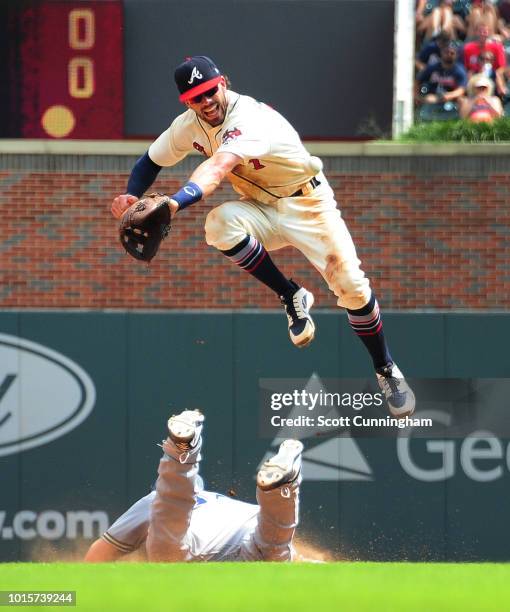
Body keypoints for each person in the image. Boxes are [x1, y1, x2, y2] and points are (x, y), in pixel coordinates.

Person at [111, 55, 415, 418]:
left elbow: (218, 167)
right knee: (219, 225)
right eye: (196, 98)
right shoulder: (187, 125)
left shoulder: (249, 118)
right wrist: (132, 194)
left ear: (223, 82)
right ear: (186, 102)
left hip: (308, 204)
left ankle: (386, 369)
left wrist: (175, 202)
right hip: (260, 207)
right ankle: (291, 294)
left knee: (351, 286)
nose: (206, 102)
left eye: (210, 91)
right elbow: (150, 160)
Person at [84, 410, 305, 562]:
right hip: (249, 532)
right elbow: (286, 550)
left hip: (195, 547)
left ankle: (181, 452)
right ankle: (282, 489)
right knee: (274, 547)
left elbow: (98, 555)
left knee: (166, 545)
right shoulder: (220, 503)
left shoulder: (153, 502)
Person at [463, 23, 507, 95]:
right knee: (469, 75)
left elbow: (501, 67)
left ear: (489, 33)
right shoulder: (468, 48)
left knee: (498, 75)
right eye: (480, 31)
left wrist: (495, 74)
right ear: (476, 32)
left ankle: (501, 94)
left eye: (485, 31)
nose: (482, 34)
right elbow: (467, 67)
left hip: (492, 75)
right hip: (475, 75)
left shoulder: (497, 47)